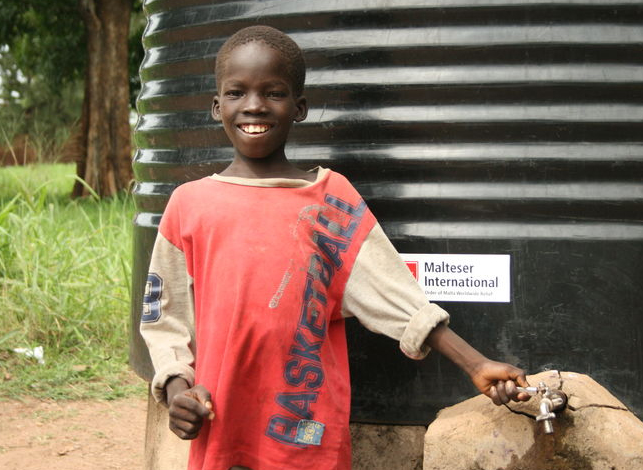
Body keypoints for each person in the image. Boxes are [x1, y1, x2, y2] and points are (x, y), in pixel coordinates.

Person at [140, 25, 530, 470]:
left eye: (273, 92)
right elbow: (166, 318)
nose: (253, 106)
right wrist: (177, 393)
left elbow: (395, 297)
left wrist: (475, 364)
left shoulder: (331, 200)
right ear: (216, 106)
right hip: (221, 422)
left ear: (299, 107)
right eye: (236, 93)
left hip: (305, 429)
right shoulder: (189, 205)